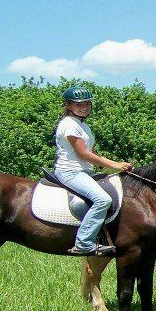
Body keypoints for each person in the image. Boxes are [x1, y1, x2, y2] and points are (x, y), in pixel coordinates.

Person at [53, 86, 132, 256]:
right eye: (79, 104)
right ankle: (84, 243)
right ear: (68, 105)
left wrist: (114, 167)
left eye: (87, 104)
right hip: (70, 172)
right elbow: (83, 153)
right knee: (103, 199)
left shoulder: (83, 126)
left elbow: (92, 152)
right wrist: (114, 164)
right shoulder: (69, 125)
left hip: (83, 171)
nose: (84, 107)